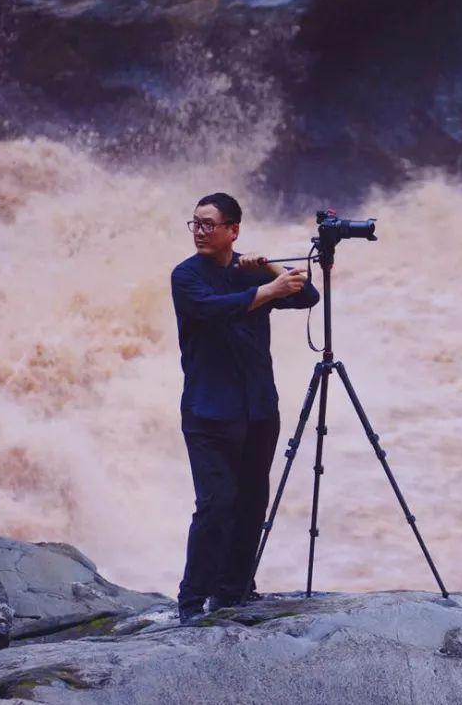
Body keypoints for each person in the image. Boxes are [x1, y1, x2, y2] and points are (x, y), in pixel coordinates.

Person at [171, 192, 319, 623]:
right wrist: (265, 289)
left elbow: (306, 297)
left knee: (253, 500)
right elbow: (210, 311)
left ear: (233, 230)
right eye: (195, 224)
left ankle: (234, 591)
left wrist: (269, 267)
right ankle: (191, 601)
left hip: (257, 408)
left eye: (208, 224)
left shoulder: (247, 272)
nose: (200, 231)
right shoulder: (185, 276)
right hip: (208, 410)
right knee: (217, 503)